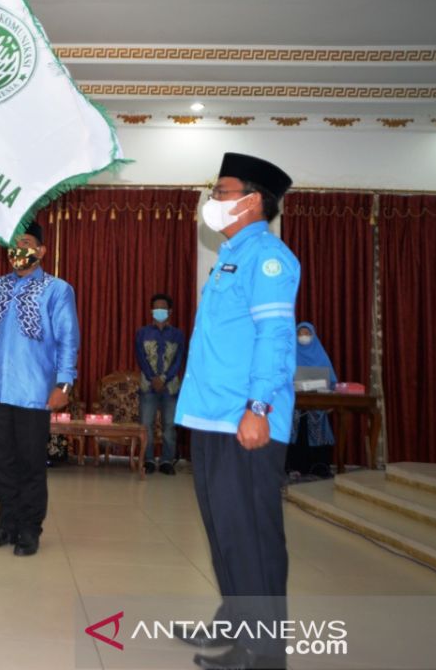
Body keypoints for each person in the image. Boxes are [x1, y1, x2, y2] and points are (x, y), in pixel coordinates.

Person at [174, 152, 299, 670]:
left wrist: (258, 407)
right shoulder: (231, 256)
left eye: (222, 192)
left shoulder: (268, 258)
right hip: (211, 416)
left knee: (250, 533)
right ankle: (233, 620)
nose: (214, 201)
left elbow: (274, 337)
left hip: (243, 420)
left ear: (253, 201)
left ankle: (263, 652)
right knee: (224, 529)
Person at [0, 221, 79, 558]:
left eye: (27, 242)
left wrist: (64, 383)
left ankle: (29, 530)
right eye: (15, 243)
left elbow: (68, 339)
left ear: (42, 250)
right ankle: (5, 526)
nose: (20, 249)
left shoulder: (57, 289)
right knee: (4, 463)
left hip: (34, 392)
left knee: (31, 464)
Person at [134, 292, 186, 475]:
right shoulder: (142, 333)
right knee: (146, 425)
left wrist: (164, 379)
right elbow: (141, 358)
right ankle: (147, 460)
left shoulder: (178, 334)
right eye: (156, 308)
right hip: (148, 387)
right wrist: (153, 378)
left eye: (163, 308)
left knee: (169, 426)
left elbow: (179, 360)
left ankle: (166, 461)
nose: (159, 311)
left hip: (170, 388)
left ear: (169, 311)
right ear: (151, 311)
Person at [287, 322, 336, 480]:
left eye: (306, 333)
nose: (303, 337)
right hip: (294, 404)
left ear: (313, 336)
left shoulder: (321, 356)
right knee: (293, 427)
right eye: (300, 333)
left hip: (317, 404)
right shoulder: (290, 354)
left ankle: (319, 467)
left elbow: (332, 381)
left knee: (318, 424)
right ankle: (292, 466)